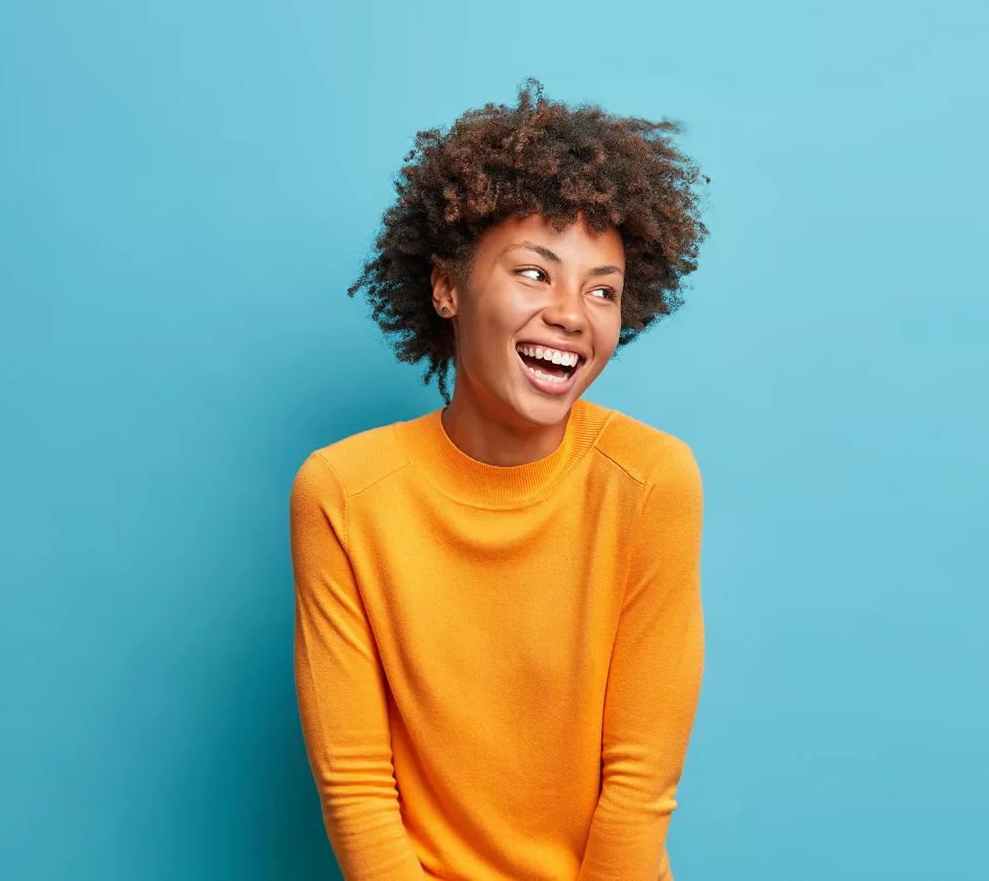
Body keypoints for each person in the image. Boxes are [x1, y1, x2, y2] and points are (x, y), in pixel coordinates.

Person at [290, 77, 711, 880]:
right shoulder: (343, 493)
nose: (571, 314)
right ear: (448, 287)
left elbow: (639, 787)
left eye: (603, 290)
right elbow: (356, 791)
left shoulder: (653, 480)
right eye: (534, 272)